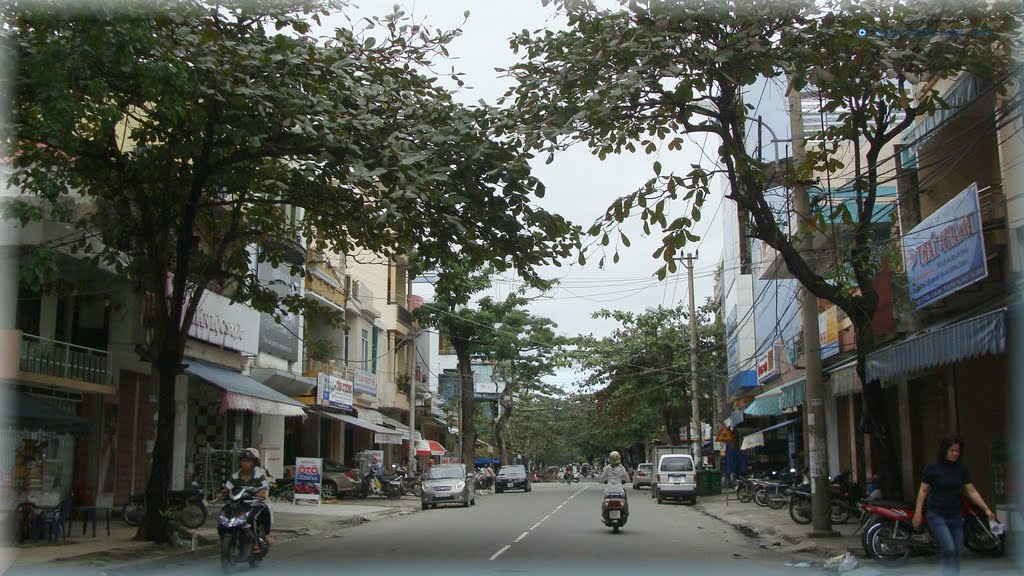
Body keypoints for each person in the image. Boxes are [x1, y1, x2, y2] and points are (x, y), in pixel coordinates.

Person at [912, 434, 995, 576]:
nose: (955, 454)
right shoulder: (932, 468)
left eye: (957, 451)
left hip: (956, 515)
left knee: (958, 550)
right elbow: (923, 491)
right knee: (949, 548)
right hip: (937, 513)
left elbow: (971, 491)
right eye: (952, 450)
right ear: (945, 450)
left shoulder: (961, 469)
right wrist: (918, 512)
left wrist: (986, 508)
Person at [224, 448, 272, 552]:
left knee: (258, 515)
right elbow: (226, 489)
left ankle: (260, 540)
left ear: (253, 463)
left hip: (253, 504)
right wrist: (221, 493)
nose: (245, 464)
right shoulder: (234, 476)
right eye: (243, 461)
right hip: (238, 504)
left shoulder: (259, 476)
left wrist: (261, 493)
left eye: (248, 461)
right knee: (223, 514)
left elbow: (263, 490)